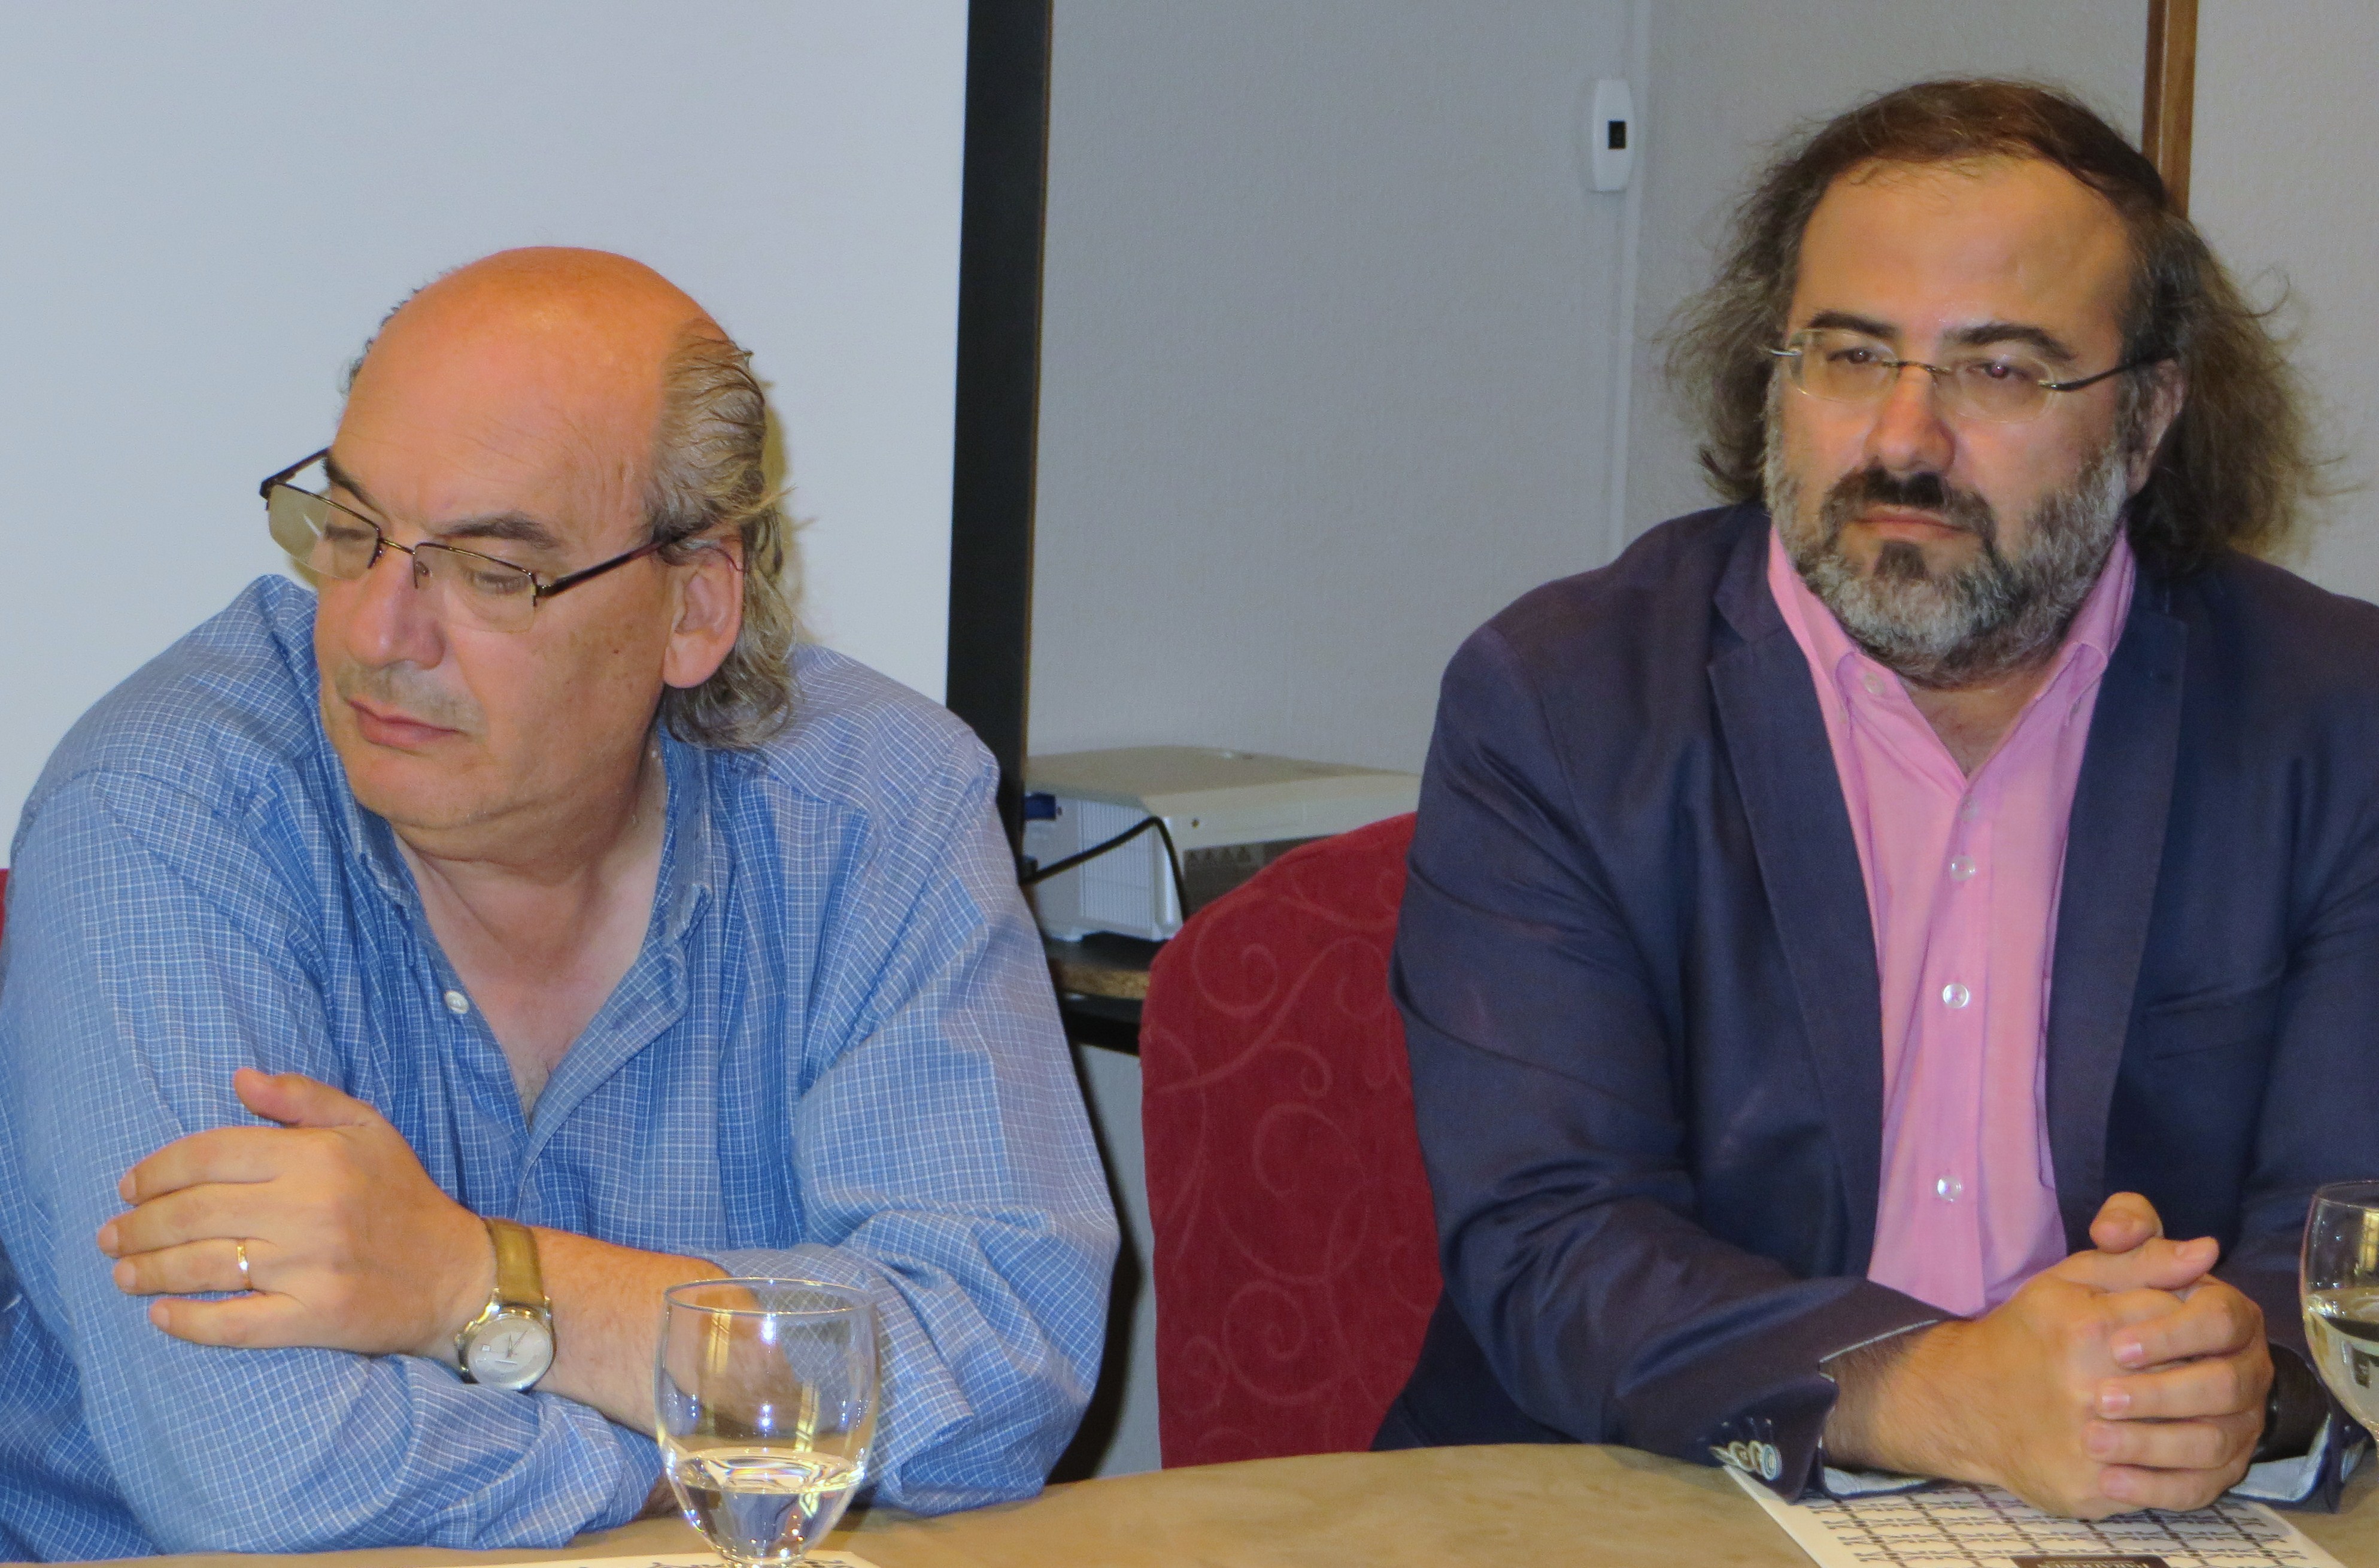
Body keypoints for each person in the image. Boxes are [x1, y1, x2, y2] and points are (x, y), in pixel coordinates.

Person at [0, 248, 1117, 1560]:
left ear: (693, 608)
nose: (378, 635)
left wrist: (479, 1282)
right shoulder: (165, 813)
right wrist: (721, 1444)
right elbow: (262, 1479)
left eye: (489, 571)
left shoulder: (877, 806)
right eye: (352, 531)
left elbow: (1002, 1363)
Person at [1375, 80, 2374, 1519]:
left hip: (2152, 1515)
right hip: (1649, 1494)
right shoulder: (1563, 701)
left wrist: (2225, 1377)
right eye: (1849, 356)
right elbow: (1553, 1239)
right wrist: (1932, 1384)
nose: (1903, 439)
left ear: (2148, 415)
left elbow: (2351, 1226)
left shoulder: (2331, 716)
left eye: (1998, 369)